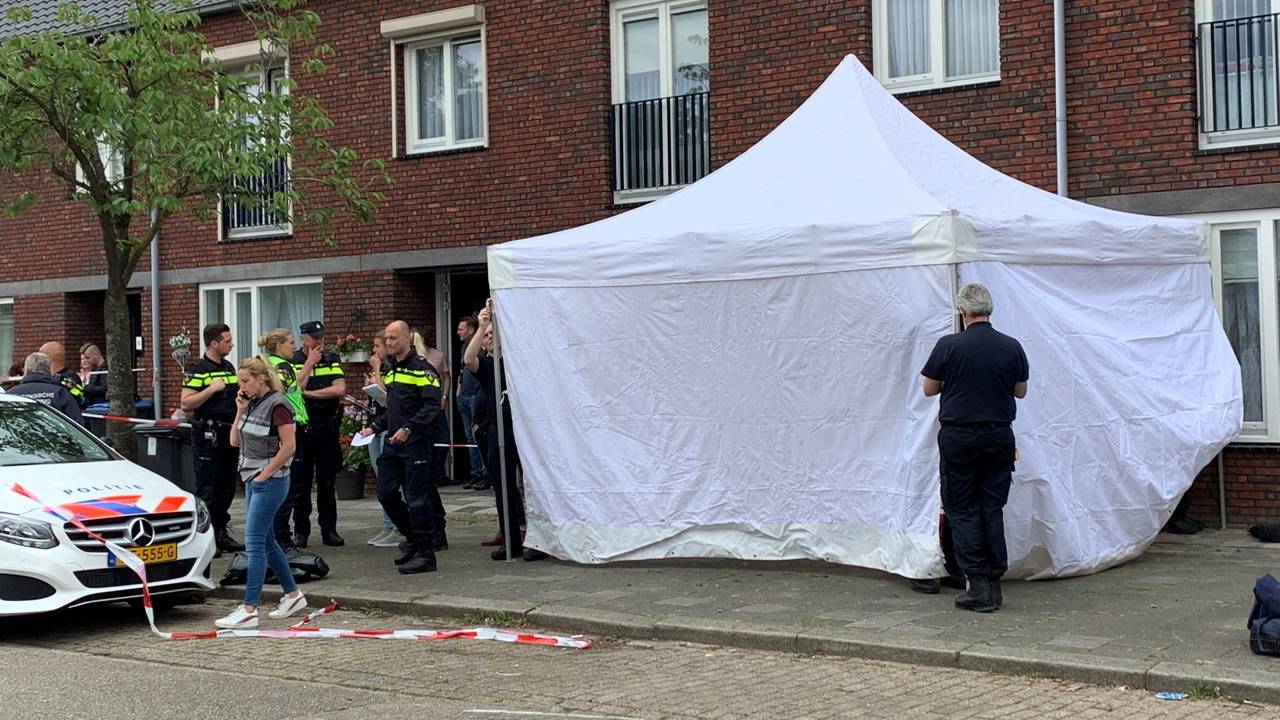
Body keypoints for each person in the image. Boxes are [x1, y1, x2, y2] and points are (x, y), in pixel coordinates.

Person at [921, 283, 1029, 613]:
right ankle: (994, 583)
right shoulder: (1011, 346)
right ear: (989, 309)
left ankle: (978, 584)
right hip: (999, 435)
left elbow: (928, 388)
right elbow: (1020, 391)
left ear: (961, 310)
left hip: (960, 437)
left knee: (962, 508)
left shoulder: (948, 345)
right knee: (991, 508)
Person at [215, 355, 307, 628]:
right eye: (239, 382)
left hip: (269, 482)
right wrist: (239, 410)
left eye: (245, 381)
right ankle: (293, 595)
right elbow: (234, 441)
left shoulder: (278, 405)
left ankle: (249, 608)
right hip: (253, 480)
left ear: (262, 379)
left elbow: (289, 446)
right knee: (266, 542)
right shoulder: (252, 403)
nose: (241, 386)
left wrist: (267, 472)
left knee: (254, 542)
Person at [465, 300, 543, 562]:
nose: (489, 338)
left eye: (492, 334)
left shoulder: (517, 364)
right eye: (486, 336)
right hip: (499, 431)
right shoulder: (487, 367)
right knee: (503, 486)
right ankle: (511, 540)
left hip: (525, 430)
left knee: (532, 485)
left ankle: (539, 539)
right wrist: (482, 326)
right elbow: (468, 359)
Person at [363, 320, 442, 574]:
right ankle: (413, 540)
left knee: (417, 499)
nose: (388, 342)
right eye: (387, 338)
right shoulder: (391, 369)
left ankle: (426, 554)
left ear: (408, 338)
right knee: (385, 494)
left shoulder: (423, 369)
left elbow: (432, 406)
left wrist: (408, 428)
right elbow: (394, 409)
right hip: (394, 443)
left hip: (416, 443)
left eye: (393, 338)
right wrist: (375, 427)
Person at [180, 323, 245, 554]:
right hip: (208, 437)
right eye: (227, 341)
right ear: (214, 343)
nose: (231, 344)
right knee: (209, 489)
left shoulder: (228, 367)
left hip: (228, 434)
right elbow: (186, 403)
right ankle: (207, 540)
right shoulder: (198, 368)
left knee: (227, 488)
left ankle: (221, 533)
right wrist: (210, 389)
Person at [259, 328, 318, 551]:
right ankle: (282, 538)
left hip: (283, 427)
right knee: (290, 485)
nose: (294, 347)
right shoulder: (281, 366)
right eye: (291, 342)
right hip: (290, 428)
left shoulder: (272, 363)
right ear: (279, 345)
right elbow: (283, 391)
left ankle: (279, 536)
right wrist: (309, 364)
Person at [290, 321, 346, 548]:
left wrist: (309, 394)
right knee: (300, 482)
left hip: (327, 426)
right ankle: (301, 531)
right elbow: (295, 389)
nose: (319, 341)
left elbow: (339, 389)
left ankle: (329, 530)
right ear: (303, 338)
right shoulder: (293, 360)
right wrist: (309, 364)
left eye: (321, 337)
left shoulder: (331, 359)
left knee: (327, 480)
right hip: (302, 427)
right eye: (314, 337)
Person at [363, 331, 405, 548]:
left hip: (388, 427)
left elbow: (388, 397)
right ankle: (389, 524)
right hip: (376, 425)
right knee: (382, 479)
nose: (374, 351)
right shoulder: (383, 369)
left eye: (377, 346)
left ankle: (399, 527)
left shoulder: (390, 368)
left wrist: (377, 372)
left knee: (390, 479)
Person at [412, 330, 449, 548]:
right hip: (412, 436)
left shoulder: (424, 370)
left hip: (425, 435)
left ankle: (436, 531)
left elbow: (429, 405)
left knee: (426, 486)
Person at [456, 316, 489, 491]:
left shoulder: (480, 348)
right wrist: (458, 391)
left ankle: (486, 474)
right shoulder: (464, 347)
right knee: (470, 438)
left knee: (479, 435)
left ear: (471, 330)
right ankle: (475, 473)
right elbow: (463, 370)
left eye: (461, 329)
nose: (458, 332)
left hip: (476, 396)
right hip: (464, 396)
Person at [7, 352, 84, 423]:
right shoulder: (60, 393)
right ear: (50, 370)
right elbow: (77, 423)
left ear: (26, 370)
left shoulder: (11, 395)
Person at [38, 341, 84, 407]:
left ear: (50, 358)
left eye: (40, 356)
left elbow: (77, 398)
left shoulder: (69, 378)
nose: (38, 360)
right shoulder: (49, 378)